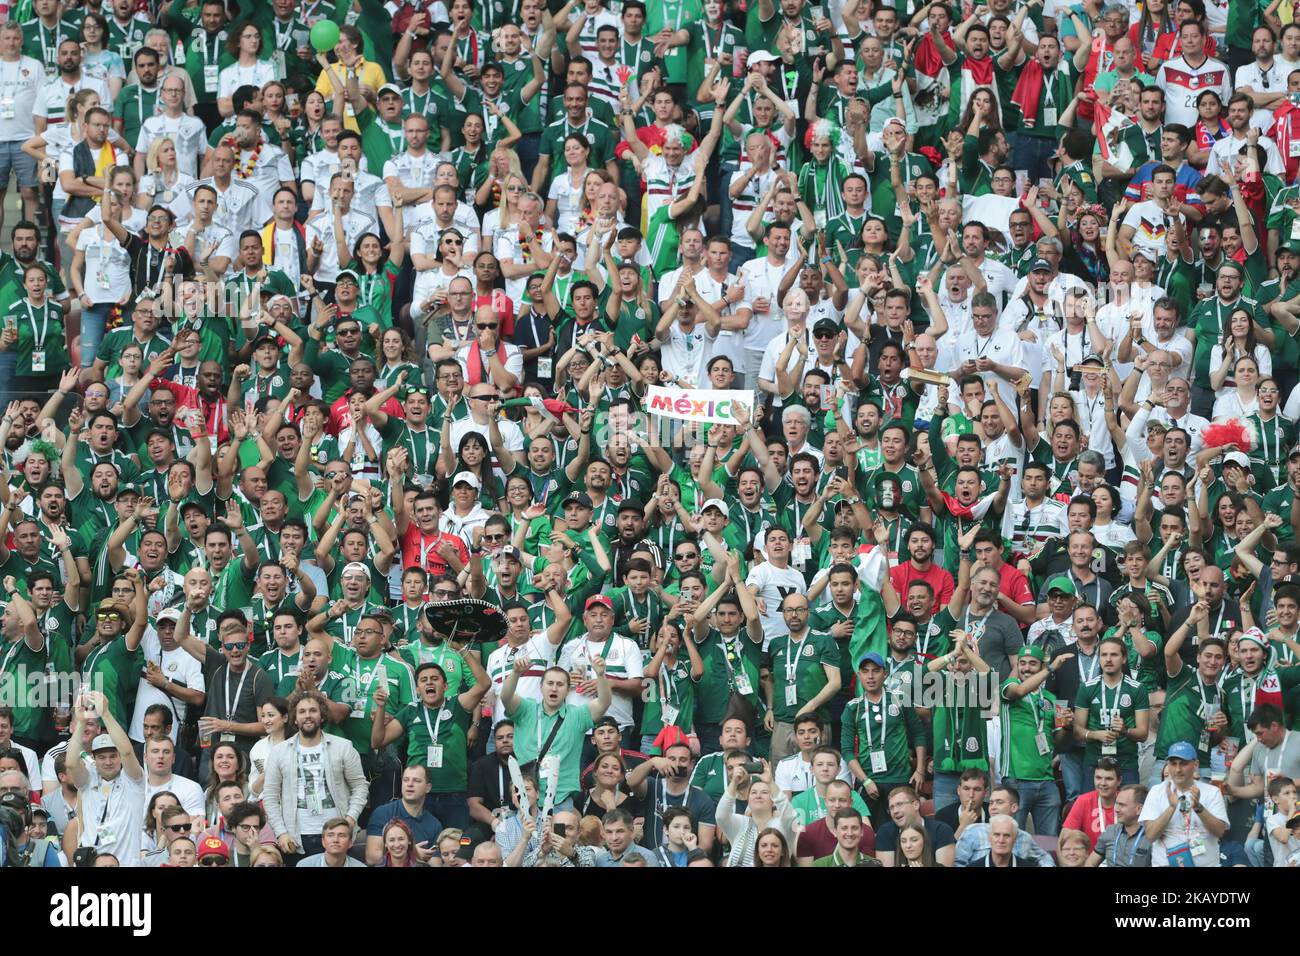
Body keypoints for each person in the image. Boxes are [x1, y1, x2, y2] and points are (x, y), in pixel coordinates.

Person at [262, 691, 369, 865]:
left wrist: (349, 819)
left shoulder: (343, 747)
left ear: (322, 716)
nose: (308, 716)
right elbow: (270, 796)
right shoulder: (279, 752)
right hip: (296, 837)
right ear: (294, 718)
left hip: (336, 834)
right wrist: (281, 832)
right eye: (302, 712)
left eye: (313, 710)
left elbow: (360, 786)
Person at [64, 691, 145, 867]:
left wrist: (105, 714)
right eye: (101, 757)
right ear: (94, 758)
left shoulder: (133, 779)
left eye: (112, 756)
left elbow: (127, 751)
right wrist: (81, 722)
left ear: (119, 758)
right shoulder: (89, 777)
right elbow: (70, 763)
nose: (108, 762)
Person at [1138, 740, 1230, 867]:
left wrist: (1198, 807)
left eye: (1183, 764)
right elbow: (1150, 836)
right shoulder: (1156, 791)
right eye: (1173, 763)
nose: (1178, 769)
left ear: (1196, 764)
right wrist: (1171, 808)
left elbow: (1220, 832)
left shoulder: (1212, 792)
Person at [1088, 784, 1153, 867]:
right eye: (1117, 804)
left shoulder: (1152, 835)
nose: (1116, 809)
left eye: (1122, 805)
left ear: (1139, 809)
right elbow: (1091, 862)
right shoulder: (1110, 831)